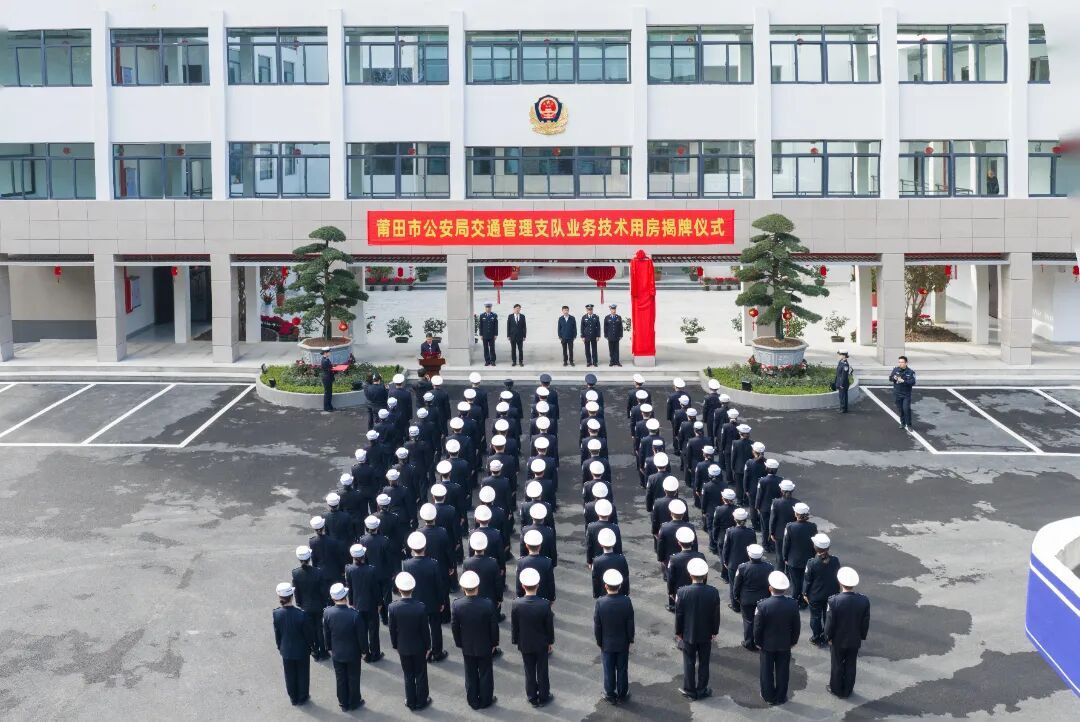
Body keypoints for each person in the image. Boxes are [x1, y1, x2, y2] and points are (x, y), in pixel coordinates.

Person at [674, 557, 721, 701]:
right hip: (706, 633)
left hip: (688, 633)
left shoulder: (682, 592)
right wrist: (714, 631)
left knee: (689, 662)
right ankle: (702, 689)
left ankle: (690, 690)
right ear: (705, 575)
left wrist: (678, 632)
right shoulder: (713, 592)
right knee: (704, 662)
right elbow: (715, 615)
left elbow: (679, 615)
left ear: (690, 574)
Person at [452, 570, 500, 710]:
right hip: (485, 644)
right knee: (486, 672)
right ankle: (486, 699)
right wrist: (494, 643)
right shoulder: (487, 604)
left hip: (467, 645)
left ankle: (473, 700)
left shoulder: (457, 605)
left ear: (463, 588)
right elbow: (493, 626)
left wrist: (459, 643)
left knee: (470, 673)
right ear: (477, 587)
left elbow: (455, 627)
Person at [754, 571, 801, 706]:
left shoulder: (762, 605)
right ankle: (781, 696)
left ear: (770, 588)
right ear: (785, 589)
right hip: (785, 643)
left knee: (766, 671)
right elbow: (796, 626)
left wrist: (757, 642)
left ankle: (768, 696)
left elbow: (757, 627)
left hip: (766, 644)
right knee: (783, 671)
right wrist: (793, 641)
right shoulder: (792, 604)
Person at [512, 567, 556, 707]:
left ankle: (531, 696)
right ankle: (544, 695)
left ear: (523, 586)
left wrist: (516, 640)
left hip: (525, 643)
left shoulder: (516, 604)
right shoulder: (544, 604)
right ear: (538, 585)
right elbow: (549, 627)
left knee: (529, 670)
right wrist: (550, 642)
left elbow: (515, 626)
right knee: (542, 670)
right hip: (541, 643)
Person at [824, 566, 871, 698]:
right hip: (854, 638)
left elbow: (830, 623)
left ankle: (836, 689)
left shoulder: (833, 600)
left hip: (838, 639)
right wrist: (862, 636)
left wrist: (828, 637)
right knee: (851, 664)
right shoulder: (864, 600)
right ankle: (848, 689)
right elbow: (865, 622)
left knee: (837, 664)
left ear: (840, 582)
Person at [324, 582, 367, 712]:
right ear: (346, 596)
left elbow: (326, 633)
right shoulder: (354, 615)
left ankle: (343, 702)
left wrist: (329, 647)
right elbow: (361, 636)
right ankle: (354, 701)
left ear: (333, 598)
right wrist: (364, 651)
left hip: (337, 651)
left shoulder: (328, 613)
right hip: (353, 653)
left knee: (340, 678)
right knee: (353, 678)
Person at [594, 569, 634, 704]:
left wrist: (599, 641)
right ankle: (622, 693)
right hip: (623, 642)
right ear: (620, 585)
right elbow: (630, 623)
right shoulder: (626, 601)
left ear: (606, 585)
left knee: (608, 669)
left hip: (607, 643)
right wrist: (630, 639)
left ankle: (610, 693)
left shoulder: (600, 602)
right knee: (622, 669)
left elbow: (598, 625)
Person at [273, 582, 314, 706]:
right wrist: (311, 646)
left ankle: (293, 697)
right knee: (303, 673)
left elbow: (277, 633)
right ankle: (302, 696)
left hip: (286, 649)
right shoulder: (301, 615)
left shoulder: (276, 613)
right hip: (301, 650)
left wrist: (280, 646)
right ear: (292, 596)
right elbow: (308, 634)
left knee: (289, 674)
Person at [345, 544, 383, 662]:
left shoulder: (349, 569)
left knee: (361, 631)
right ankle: (375, 653)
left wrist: (351, 602)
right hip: (371, 604)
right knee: (373, 630)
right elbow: (376, 589)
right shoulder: (371, 570)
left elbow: (349, 587)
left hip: (357, 604)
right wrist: (379, 603)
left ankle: (365, 653)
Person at [733, 544, 774, 649]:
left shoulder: (742, 567)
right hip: (763, 599)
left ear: (749, 555)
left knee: (748, 621)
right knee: (762, 622)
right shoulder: (769, 567)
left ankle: (749, 642)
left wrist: (736, 597)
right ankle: (760, 641)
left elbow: (737, 585)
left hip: (746, 600)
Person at [803, 534, 841, 648]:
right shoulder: (835, 560)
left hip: (816, 595)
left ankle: (816, 637)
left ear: (815, 548)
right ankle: (826, 636)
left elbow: (808, 580)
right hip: (832, 594)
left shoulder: (811, 563)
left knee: (815, 617)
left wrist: (805, 593)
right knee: (828, 616)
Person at [291, 546, 328, 660]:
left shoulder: (295, 573)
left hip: (305, 605)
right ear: (309, 558)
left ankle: (314, 650)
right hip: (318, 605)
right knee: (319, 628)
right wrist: (324, 602)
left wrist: (299, 603)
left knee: (310, 629)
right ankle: (323, 651)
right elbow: (323, 591)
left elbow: (296, 591)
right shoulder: (318, 572)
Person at [890, 355, 916, 430]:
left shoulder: (910, 372)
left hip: (906, 395)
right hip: (897, 394)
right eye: (899, 362)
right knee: (900, 409)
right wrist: (894, 378)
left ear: (906, 363)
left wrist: (904, 381)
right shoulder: (895, 370)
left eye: (902, 362)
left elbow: (913, 382)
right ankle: (903, 423)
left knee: (906, 409)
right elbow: (890, 378)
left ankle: (909, 425)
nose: (900, 364)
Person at [581, 303, 601, 367]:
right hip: (586, 336)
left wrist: (598, 336)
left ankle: (595, 362)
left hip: (594, 336)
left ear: (592, 310)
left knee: (594, 349)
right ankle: (589, 362)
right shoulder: (584, 317)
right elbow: (582, 327)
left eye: (591, 309)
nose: (590, 311)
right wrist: (582, 336)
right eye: (588, 310)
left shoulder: (596, 317)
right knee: (587, 350)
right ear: (586, 310)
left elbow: (598, 327)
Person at [479, 302, 499, 367]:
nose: (488, 309)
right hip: (484, 335)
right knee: (485, 348)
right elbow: (480, 326)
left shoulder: (494, 315)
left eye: (489, 307)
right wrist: (481, 334)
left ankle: (493, 361)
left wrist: (495, 334)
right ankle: (487, 361)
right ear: (485, 308)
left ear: (491, 308)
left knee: (492, 348)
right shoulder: (482, 315)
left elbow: (496, 326)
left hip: (492, 335)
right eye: (487, 307)